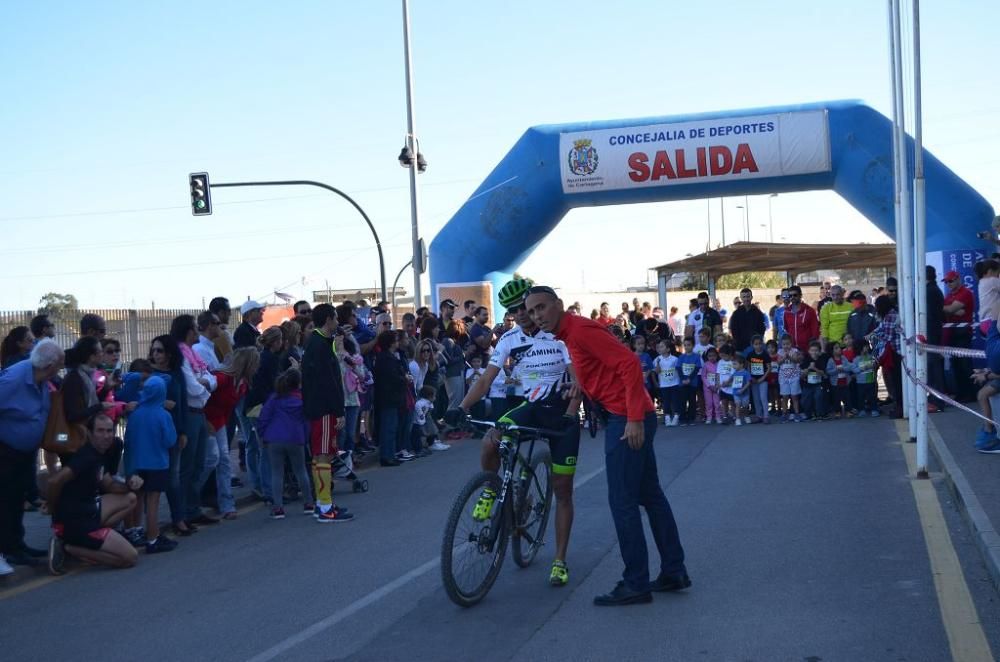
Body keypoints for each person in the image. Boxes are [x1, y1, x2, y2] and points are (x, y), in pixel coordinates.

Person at [524, 286, 688, 606]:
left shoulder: (580, 330)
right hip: (626, 414)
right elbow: (601, 369)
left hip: (626, 419)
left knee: (622, 501)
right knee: (650, 496)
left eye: (541, 307)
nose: (536, 316)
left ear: (558, 305)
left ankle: (636, 582)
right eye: (531, 312)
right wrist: (581, 390)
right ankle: (674, 570)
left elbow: (628, 363)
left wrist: (634, 419)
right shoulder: (568, 335)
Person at [452, 276, 581, 588]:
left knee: (563, 490)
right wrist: (461, 407)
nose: (521, 314)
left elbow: (578, 378)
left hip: (560, 413)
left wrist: (569, 412)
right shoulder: (509, 340)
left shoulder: (559, 337)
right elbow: (485, 380)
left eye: (523, 307)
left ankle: (560, 560)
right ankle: (491, 489)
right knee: (490, 440)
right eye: (512, 310)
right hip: (530, 406)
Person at [47, 414, 141, 574]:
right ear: (90, 433)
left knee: (131, 498)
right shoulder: (86, 456)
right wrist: (52, 508)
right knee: (130, 557)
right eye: (100, 431)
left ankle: (84, 542)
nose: (106, 436)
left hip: (90, 509)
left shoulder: (98, 454)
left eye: (110, 431)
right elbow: (54, 481)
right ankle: (68, 548)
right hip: (79, 520)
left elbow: (109, 484)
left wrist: (130, 485)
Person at [0, 339, 63, 573]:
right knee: (6, 501)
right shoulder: (12, 381)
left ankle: (18, 545)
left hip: (26, 452)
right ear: (49, 365)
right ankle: (9, 549)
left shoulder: (41, 380)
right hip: (7, 451)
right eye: (59, 365)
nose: (61, 370)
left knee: (17, 500)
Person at [302, 304, 353, 521]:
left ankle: (323, 503)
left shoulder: (321, 342)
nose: (338, 322)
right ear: (328, 319)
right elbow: (328, 382)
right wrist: (338, 410)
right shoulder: (318, 344)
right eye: (335, 318)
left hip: (320, 407)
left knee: (321, 456)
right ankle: (324, 506)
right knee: (322, 456)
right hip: (322, 408)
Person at [122, 378, 179, 554]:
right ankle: (153, 538)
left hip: (137, 464)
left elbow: (128, 440)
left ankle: (136, 531)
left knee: (137, 498)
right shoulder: (163, 415)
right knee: (152, 502)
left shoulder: (135, 414)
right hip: (157, 464)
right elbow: (170, 441)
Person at [204, 348, 259, 519]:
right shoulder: (223, 377)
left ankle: (227, 504)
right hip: (206, 422)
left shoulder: (241, 383)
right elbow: (203, 388)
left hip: (219, 421)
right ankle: (192, 494)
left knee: (224, 460)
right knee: (210, 460)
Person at [147, 335, 192, 536]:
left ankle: (179, 518)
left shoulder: (176, 373)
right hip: (151, 432)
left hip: (173, 430)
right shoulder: (147, 373)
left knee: (173, 478)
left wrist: (183, 431)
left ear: (170, 353)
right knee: (152, 478)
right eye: (154, 350)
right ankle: (150, 526)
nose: (156, 355)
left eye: (160, 351)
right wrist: (159, 402)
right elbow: (136, 399)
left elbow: (182, 403)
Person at [258, 369, 316, 519]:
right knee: (301, 471)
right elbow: (306, 421)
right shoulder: (302, 399)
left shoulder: (274, 398)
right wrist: (305, 437)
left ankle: (278, 508)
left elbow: (264, 416)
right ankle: (308, 503)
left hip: (274, 437)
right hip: (296, 438)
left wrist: (262, 434)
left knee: (277, 473)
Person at [373, 330, 409, 467]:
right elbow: (392, 378)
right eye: (394, 340)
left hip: (390, 397)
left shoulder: (388, 357)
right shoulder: (385, 358)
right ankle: (387, 456)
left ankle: (390, 454)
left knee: (391, 427)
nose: (397, 342)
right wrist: (403, 378)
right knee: (388, 427)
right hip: (388, 398)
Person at [942, 271, 975, 402]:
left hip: (963, 333)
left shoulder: (965, 293)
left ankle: (970, 393)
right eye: (946, 282)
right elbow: (951, 310)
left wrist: (947, 308)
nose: (948, 284)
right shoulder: (950, 295)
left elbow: (950, 310)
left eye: (950, 281)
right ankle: (962, 393)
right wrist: (951, 309)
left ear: (958, 279)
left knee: (964, 364)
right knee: (956, 364)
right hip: (952, 333)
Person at [728, 288, 767, 353]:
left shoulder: (758, 313)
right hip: (740, 347)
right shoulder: (736, 314)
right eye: (744, 297)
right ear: (741, 298)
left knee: (756, 363)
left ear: (751, 297)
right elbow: (733, 330)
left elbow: (762, 329)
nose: (746, 299)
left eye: (748, 296)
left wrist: (757, 343)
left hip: (755, 348)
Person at [782, 285, 819, 352]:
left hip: (808, 349)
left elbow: (815, 331)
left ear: (800, 295)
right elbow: (787, 329)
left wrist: (813, 347)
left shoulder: (809, 311)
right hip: (792, 350)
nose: (792, 297)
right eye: (790, 296)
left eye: (795, 295)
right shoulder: (786, 312)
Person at [652, 340, 680, 426]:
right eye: (659, 347)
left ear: (668, 349)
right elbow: (656, 372)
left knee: (675, 401)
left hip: (674, 383)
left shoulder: (674, 359)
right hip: (664, 385)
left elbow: (678, 370)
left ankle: (676, 417)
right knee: (666, 402)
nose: (660, 348)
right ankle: (667, 417)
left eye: (662, 346)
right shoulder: (657, 359)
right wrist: (657, 365)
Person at [800, 341, 828, 421]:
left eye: (816, 350)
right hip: (807, 385)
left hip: (818, 384)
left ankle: (819, 414)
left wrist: (815, 368)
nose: (814, 352)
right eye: (812, 350)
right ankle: (809, 414)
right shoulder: (806, 360)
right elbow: (802, 376)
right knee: (805, 399)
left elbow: (823, 373)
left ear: (819, 352)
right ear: (809, 351)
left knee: (818, 396)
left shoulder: (821, 360)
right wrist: (809, 368)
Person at [819, 285, 852, 352]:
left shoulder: (850, 306)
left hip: (848, 344)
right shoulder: (826, 308)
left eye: (838, 295)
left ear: (842, 294)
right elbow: (824, 328)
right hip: (833, 345)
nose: (835, 297)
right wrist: (825, 348)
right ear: (830, 295)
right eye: (833, 295)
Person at [746, 335, 771, 424]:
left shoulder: (765, 354)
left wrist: (763, 378)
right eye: (756, 344)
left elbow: (769, 368)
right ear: (752, 345)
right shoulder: (750, 355)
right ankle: (758, 415)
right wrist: (750, 377)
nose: (758, 346)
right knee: (756, 398)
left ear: (762, 344)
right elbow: (748, 366)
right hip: (754, 380)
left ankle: (766, 416)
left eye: (760, 344)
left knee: (763, 397)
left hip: (763, 380)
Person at [677, 338, 702, 425]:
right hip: (683, 383)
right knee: (682, 401)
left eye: (689, 345)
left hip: (692, 383)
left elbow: (696, 369)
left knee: (692, 401)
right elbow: (679, 369)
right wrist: (683, 379)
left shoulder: (696, 357)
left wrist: (689, 379)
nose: (687, 347)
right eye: (685, 345)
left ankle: (691, 418)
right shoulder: (681, 357)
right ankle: (682, 419)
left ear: (693, 345)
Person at [851, 340, 879, 416]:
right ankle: (861, 409)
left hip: (871, 380)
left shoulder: (870, 357)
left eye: (867, 346)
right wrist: (862, 368)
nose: (867, 348)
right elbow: (854, 369)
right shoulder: (856, 359)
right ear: (860, 348)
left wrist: (874, 365)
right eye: (865, 346)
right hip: (860, 382)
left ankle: (874, 409)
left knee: (872, 396)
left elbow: (876, 364)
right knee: (861, 397)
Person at [778, 348, 803, 422]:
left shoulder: (794, 351)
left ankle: (797, 414)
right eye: (784, 344)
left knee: (794, 396)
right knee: (785, 397)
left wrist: (789, 357)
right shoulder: (780, 351)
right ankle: (784, 414)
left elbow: (796, 361)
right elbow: (779, 362)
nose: (786, 346)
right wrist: (784, 358)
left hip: (794, 377)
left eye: (788, 344)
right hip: (783, 377)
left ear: (791, 343)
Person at [208, 297, 234, 362]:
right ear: (221, 313)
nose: (230, 314)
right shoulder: (220, 334)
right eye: (229, 311)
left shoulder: (206, 332)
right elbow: (231, 362)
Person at [701, 347, 722, 425]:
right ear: (707, 357)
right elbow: (703, 376)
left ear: (717, 356)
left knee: (717, 403)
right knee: (709, 403)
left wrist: (717, 385)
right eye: (710, 356)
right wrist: (709, 385)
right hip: (708, 388)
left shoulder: (719, 364)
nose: (712, 358)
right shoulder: (706, 365)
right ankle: (709, 416)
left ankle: (718, 416)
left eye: (714, 356)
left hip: (717, 387)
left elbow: (719, 375)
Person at [729, 355, 752, 425]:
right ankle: (738, 418)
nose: (733, 366)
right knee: (737, 405)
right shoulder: (735, 373)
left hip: (745, 393)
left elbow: (749, 382)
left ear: (741, 365)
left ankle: (746, 416)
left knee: (745, 406)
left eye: (735, 364)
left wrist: (743, 389)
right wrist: (726, 383)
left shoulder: (746, 373)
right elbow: (730, 379)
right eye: (733, 364)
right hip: (736, 393)